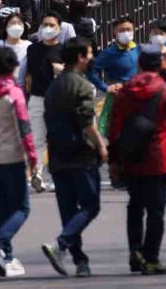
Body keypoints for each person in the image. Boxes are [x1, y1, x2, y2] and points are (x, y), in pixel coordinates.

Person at [107, 50, 166, 276]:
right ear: (162, 64)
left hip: (132, 157)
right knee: (156, 211)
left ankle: (135, 252)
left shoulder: (125, 92)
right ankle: (151, 258)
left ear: (139, 64)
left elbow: (114, 127)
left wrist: (114, 158)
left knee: (134, 206)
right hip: (158, 158)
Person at [41, 37, 105, 277]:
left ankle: (80, 260)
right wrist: (101, 147)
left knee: (68, 210)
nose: (91, 58)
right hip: (81, 155)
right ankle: (61, 244)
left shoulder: (53, 87)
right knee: (91, 205)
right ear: (80, 58)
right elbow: (88, 122)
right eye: (88, 54)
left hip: (57, 155)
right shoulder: (82, 86)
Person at [0, 47, 39, 278]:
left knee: (2, 208)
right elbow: (24, 129)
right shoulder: (14, 93)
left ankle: (7, 256)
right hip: (11, 157)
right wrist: (33, 159)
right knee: (22, 207)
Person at [24, 15, 65, 192]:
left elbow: (73, 75)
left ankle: (57, 176)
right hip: (37, 98)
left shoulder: (64, 50)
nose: (48, 28)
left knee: (57, 140)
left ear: (59, 28)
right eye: (45, 24)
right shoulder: (32, 50)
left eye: (52, 25)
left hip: (58, 101)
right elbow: (27, 75)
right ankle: (37, 174)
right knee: (37, 139)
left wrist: (62, 70)